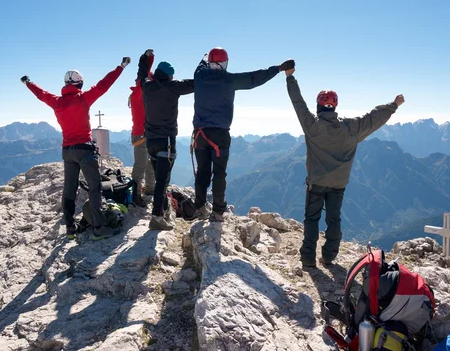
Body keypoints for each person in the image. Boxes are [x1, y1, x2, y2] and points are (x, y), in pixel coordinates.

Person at [285, 66, 405, 268]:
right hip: (339, 184)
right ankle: (329, 256)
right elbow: (373, 118)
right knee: (334, 219)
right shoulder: (351, 128)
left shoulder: (312, 125)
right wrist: (393, 105)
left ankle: (308, 258)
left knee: (311, 219)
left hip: (316, 182)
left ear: (319, 106)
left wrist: (290, 78)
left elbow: (298, 103)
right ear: (335, 105)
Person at [21, 56, 130, 241]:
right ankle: (99, 228)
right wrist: (121, 67)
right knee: (95, 188)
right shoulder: (84, 98)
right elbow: (104, 84)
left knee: (69, 190)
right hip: (84, 150)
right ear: (80, 84)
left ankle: (70, 229)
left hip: (67, 151)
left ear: (65, 84)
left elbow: (41, 94)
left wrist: (28, 83)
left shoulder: (57, 102)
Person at [192, 47, 295, 221]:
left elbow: (201, 65)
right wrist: (278, 68)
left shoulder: (199, 75)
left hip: (199, 135)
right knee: (219, 173)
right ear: (225, 63)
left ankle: (200, 208)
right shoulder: (229, 80)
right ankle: (217, 211)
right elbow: (254, 78)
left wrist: (204, 58)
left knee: (202, 171)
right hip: (219, 135)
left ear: (209, 62)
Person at [142, 56, 194, 230]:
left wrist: (145, 59)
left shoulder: (147, 86)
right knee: (162, 182)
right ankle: (157, 217)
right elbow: (194, 83)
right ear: (169, 76)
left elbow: (141, 73)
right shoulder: (173, 87)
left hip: (150, 142)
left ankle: (163, 211)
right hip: (166, 141)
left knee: (160, 179)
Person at [128, 49, 156, 207]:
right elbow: (143, 73)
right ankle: (136, 194)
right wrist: (147, 58)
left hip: (146, 134)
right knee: (141, 165)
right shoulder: (140, 90)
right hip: (140, 135)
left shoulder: (143, 92)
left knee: (150, 164)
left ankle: (150, 190)